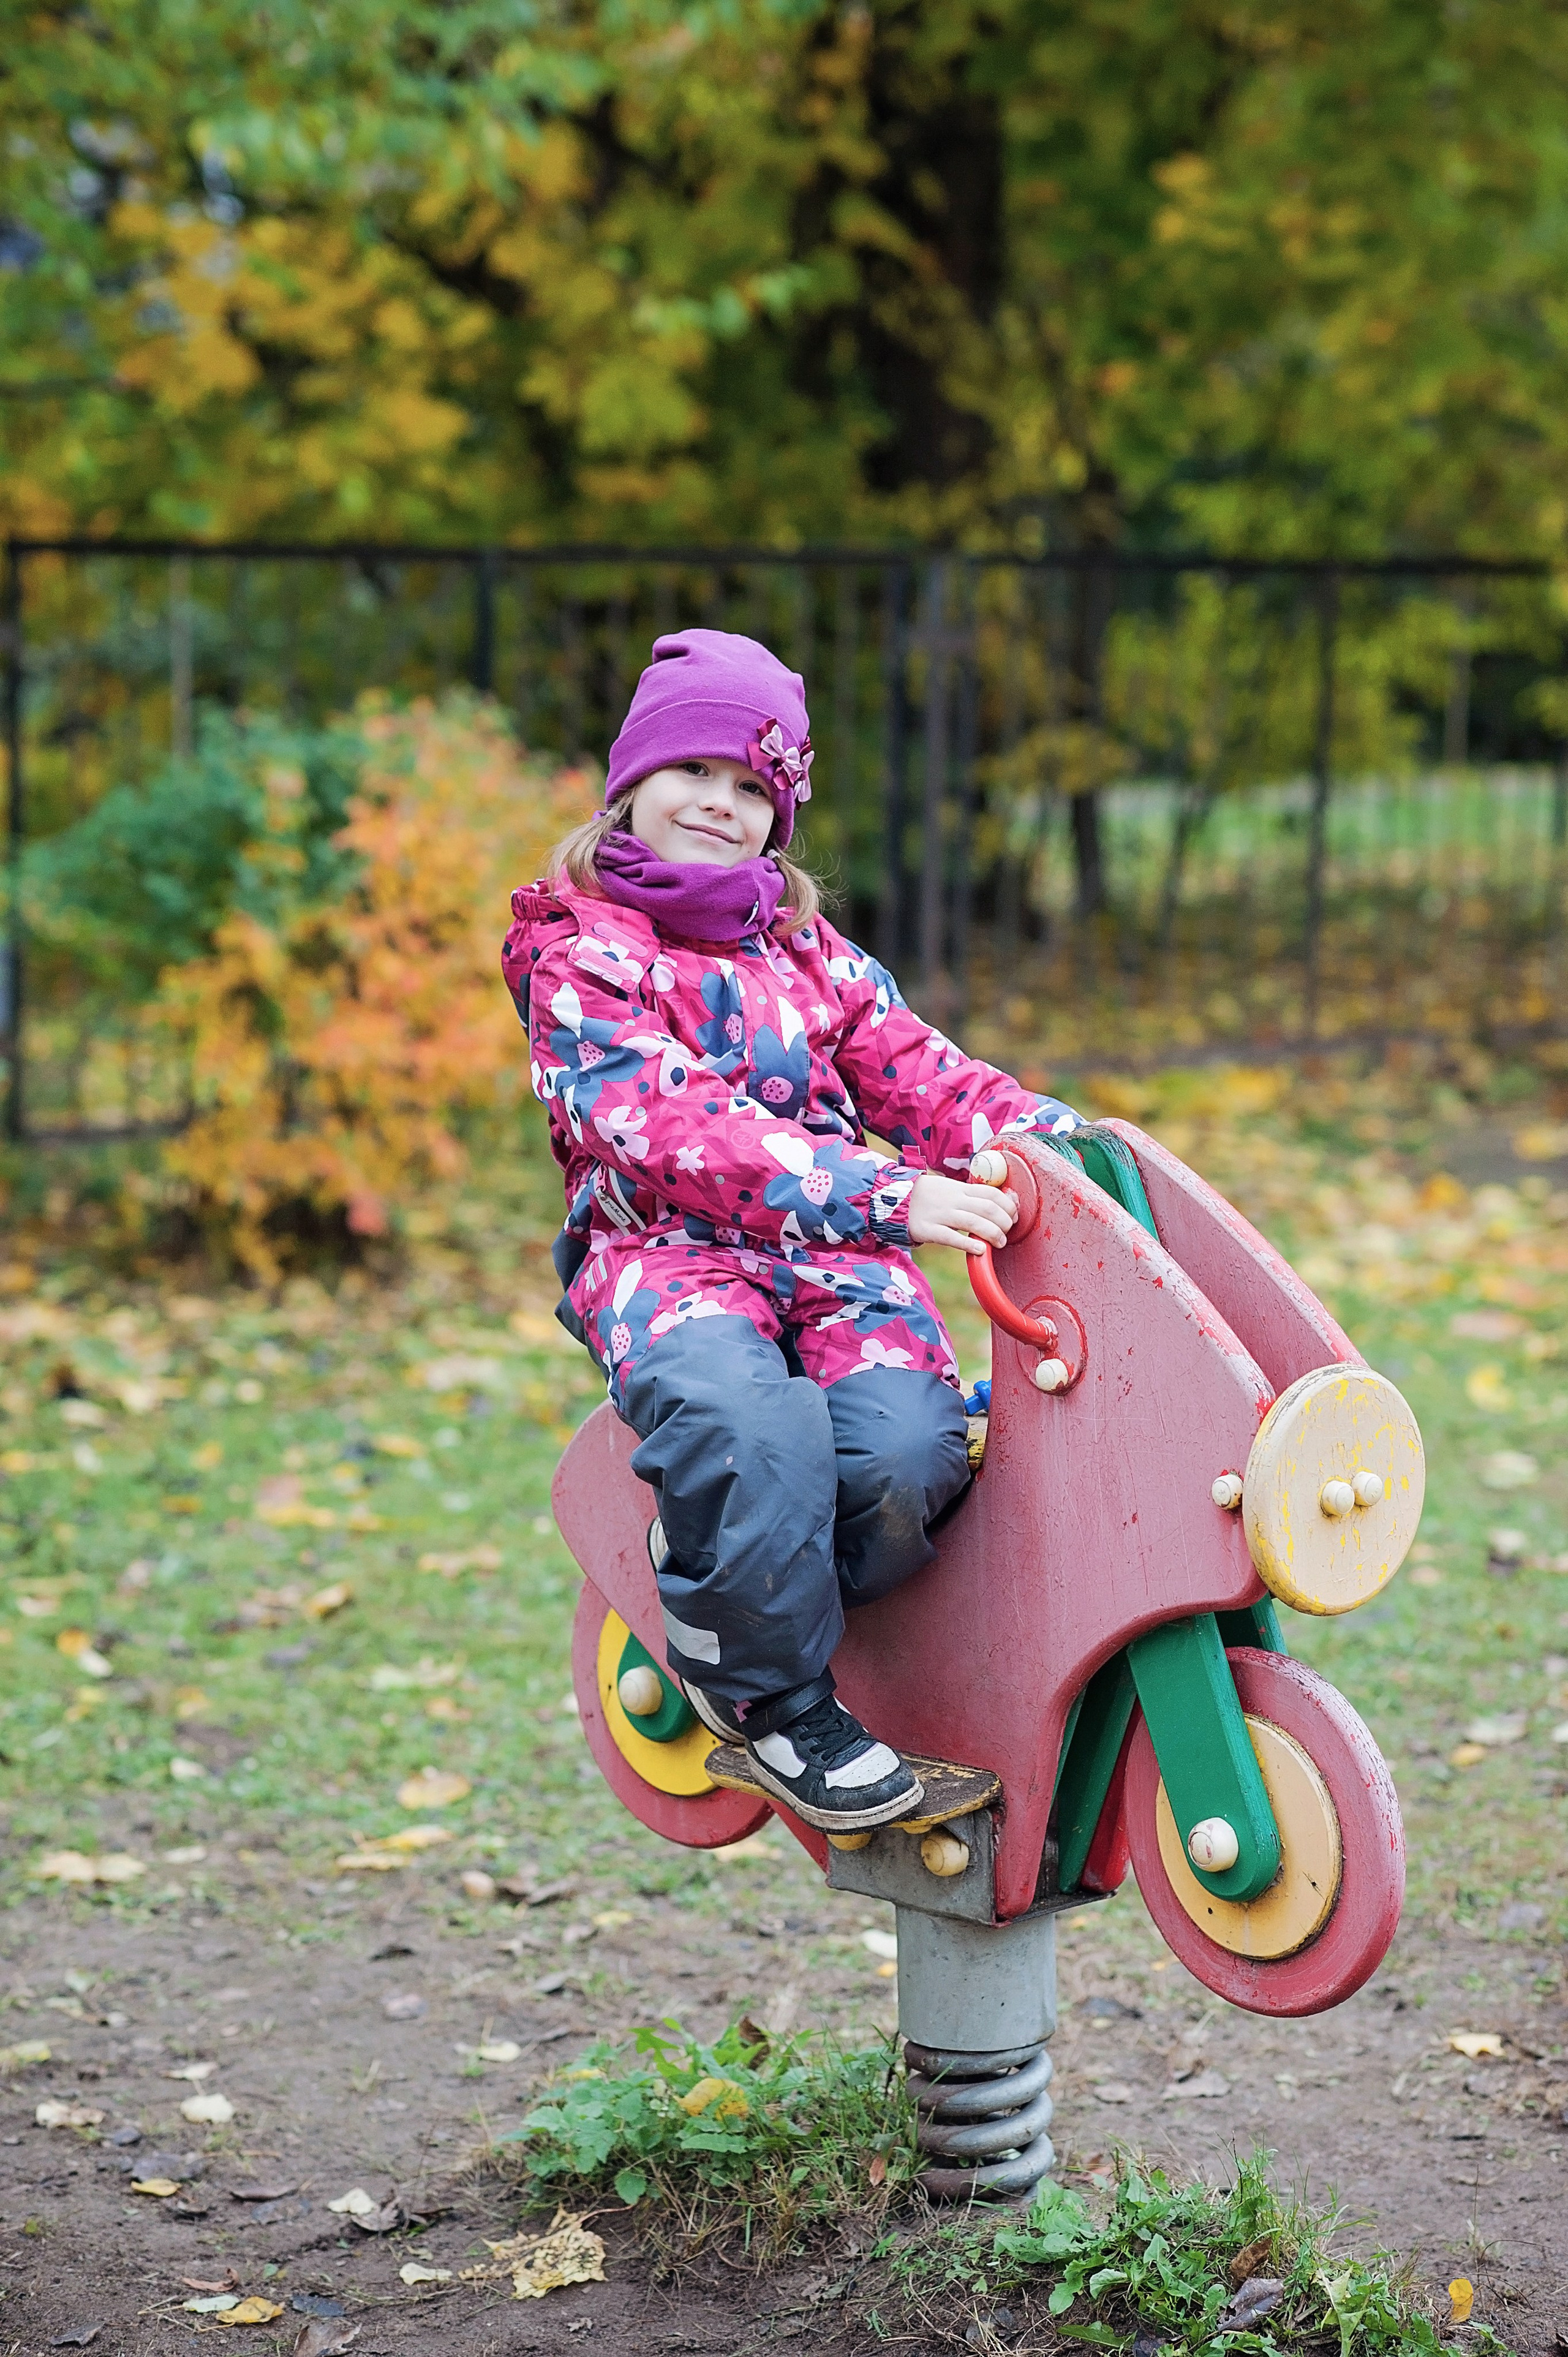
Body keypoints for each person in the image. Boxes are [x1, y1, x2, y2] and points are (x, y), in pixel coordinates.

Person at [503, 629, 1082, 1833]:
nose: (719, 805)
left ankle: (735, 1567)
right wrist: (889, 1195)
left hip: (835, 1269)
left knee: (903, 1462)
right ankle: (770, 1702)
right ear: (631, 783)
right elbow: (665, 1124)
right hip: (668, 1258)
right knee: (746, 1423)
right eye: (694, 773)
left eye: (753, 788)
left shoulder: (808, 954)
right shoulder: (577, 952)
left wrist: (1037, 1136)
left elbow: (919, 1076)